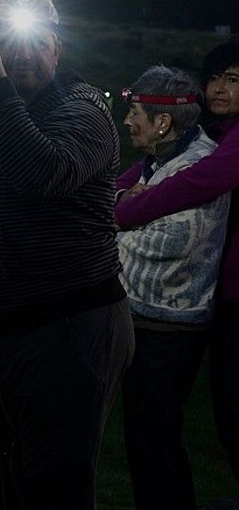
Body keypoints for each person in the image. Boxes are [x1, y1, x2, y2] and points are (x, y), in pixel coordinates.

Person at [0, 0, 133, 508]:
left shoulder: (84, 109)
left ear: (58, 50)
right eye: (9, 43)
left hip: (71, 324)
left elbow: (41, 172)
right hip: (5, 327)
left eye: (39, 42)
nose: (26, 55)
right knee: (11, 478)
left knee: (56, 487)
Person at [115, 40, 239, 485]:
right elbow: (117, 186)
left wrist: (120, 216)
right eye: (214, 79)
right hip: (178, 314)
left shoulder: (211, 155)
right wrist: (115, 204)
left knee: (168, 438)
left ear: (164, 120)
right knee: (151, 438)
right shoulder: (176, 150)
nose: (219, 89)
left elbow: (183, 216)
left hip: (186, 319)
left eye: (233, 79)